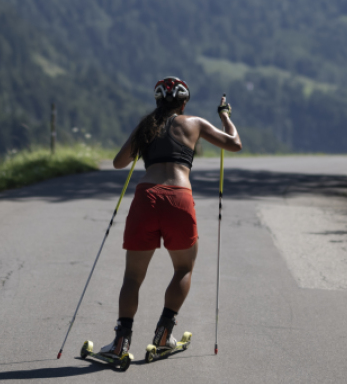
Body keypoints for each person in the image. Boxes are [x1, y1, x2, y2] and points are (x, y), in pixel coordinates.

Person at [97, 77, 242, 359]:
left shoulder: (145, 126)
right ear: (184, 103)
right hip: (179, 198)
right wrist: (225, 117)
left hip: (146, 197)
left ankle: (120, 342)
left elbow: (118, 162)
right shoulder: (194, 123)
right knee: (183, 269)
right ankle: (164, 333)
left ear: (157, 101)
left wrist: (142, 143)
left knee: (133, 276)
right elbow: (234, 144)